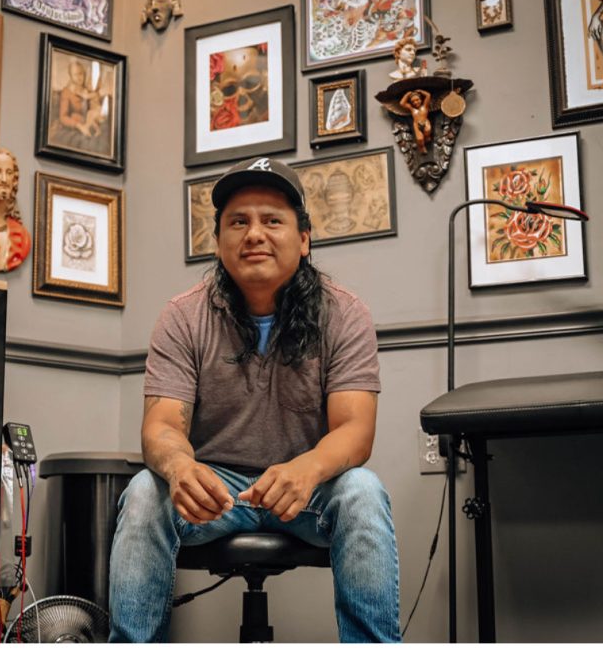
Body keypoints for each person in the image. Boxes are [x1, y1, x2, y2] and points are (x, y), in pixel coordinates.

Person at [108, 156, 400, 643]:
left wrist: (306, 469)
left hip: (308, 488)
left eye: (272, 221)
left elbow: (355, 430)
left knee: (363, 491)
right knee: (143, 491)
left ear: (304, 239)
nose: (254, 234)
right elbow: (161, 426)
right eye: (238, 222)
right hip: (216, 491)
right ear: (219, 241)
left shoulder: (345, 313)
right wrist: (181, 469)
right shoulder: (182, 316)